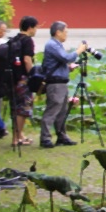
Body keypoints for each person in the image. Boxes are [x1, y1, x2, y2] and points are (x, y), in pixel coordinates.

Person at [40, 21, 87, 149]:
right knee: (53, 110)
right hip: (55, 83)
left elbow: (60, 62)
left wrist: (68, 68)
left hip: (61, 82)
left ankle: (62, 136)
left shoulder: (57, 45)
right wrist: (79, 50)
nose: (66, 35)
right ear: (58, 32)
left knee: (62, 111)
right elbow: (65, 58)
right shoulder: (52, 45)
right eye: (65, 32)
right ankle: (45, 138)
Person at [11, 16, 39, 147]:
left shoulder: (14, 39)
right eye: (36, 27)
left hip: (13, 78)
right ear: (30, 28)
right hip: (23, 79)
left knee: (16, 108)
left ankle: (19, 135)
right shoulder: (27, 41)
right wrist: (33, 76)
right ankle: (16, 139)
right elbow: (27, 60)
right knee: (23, 109)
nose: (36, 30)